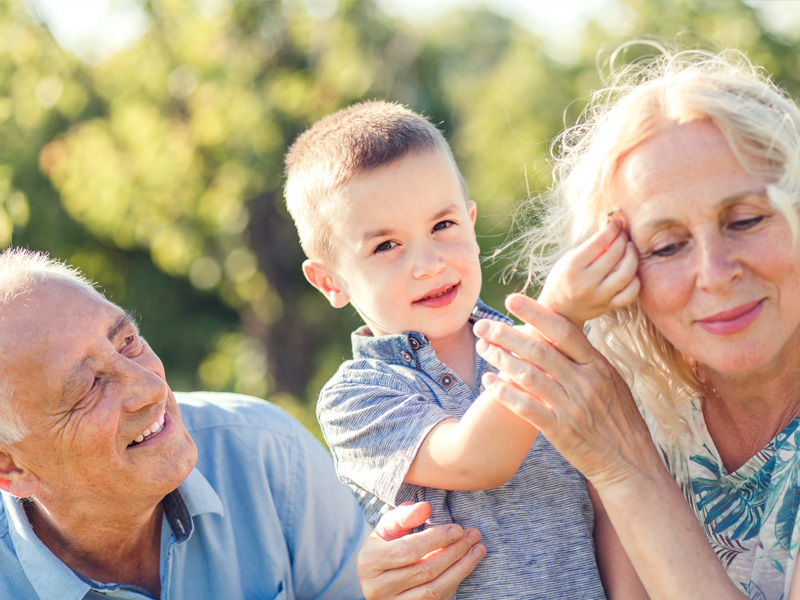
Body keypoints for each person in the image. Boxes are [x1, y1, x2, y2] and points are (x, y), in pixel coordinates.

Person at [466, 46, 800, 599]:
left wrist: (626, 469)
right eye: (667, 246)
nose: (714, 274)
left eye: (745, 220)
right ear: (621, 275)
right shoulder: (636, 405)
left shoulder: (619, 436)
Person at [283, 100, 643, 599]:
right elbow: (475, 458)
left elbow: (608, 506)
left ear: (471, 224)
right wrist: (558, 312)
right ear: (330, 282)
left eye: (442, 226)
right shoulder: (357, 397)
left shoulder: (530, 347)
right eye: (386, 246)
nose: (428, 263)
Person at [0, 247, 371, 599]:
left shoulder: (270, 457)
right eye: (89, 386)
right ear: (11, 467)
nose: (151, 386)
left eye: (128, 342)